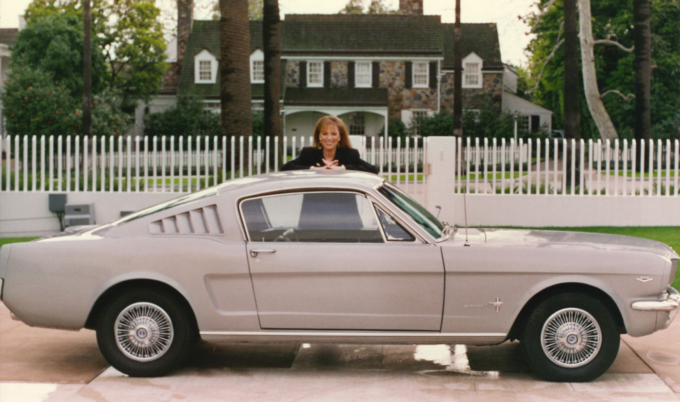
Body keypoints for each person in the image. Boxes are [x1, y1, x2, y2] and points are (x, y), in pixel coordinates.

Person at [281, 116, 379, 174]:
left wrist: (342, 168)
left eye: (333, 134)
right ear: (319, 136)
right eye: (324, 134)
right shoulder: (308, 154)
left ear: (340, 136)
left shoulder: (350, 155)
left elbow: (373, 170)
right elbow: (285, 168)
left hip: (344, 204)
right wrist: (315, 169)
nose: (329, 138)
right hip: (313, 204)